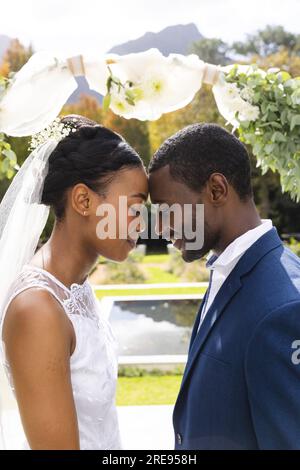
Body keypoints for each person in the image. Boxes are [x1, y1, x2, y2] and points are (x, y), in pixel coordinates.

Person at [149, 122, 300, 449]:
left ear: (216, 189)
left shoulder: (283, 309)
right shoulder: (229, 268)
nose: (159, 227)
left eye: (166, 209)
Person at [0, 115, 148, 450]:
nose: (142, 222)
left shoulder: (74, 289)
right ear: (83, 200)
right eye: (135, 207)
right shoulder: (37, 309)